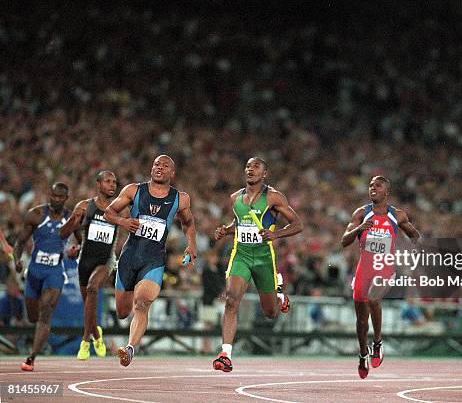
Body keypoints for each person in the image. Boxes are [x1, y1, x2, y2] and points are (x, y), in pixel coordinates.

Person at [104, 155, 196, 367]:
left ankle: (130, 347)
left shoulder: (180, 199)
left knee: (142, 303)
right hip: (129, 256)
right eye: (156, 164)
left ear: (172, 173)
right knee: (122, 311)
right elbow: (109, 212)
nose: (159, 168)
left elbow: (188, 224)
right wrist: (123, 221)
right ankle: (130, 338)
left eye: (165, 166)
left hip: (154, 259)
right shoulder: (133, 191)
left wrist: (191, 244)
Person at [212, 157, 303, 372]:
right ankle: (225, 354)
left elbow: (298, 224)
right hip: (241, 254)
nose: (250, 169)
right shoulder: (235, 198)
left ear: (265, 174)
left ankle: (279, 295)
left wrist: (276, 234)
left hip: (263, 257)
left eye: (256, 167)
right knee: (231, 300)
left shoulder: (273, 197)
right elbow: (241, 222)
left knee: (270, 312)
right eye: (248, 166)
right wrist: (226, 230)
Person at [341, 176, 420, 379]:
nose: (373, 188)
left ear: (387, 192)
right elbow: (344, 241)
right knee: (360, 320)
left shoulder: (397, 216)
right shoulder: (361, 213)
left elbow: (414, 235)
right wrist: (359, 229)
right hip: (364, 270)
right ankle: (362, 354)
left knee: (374, 298)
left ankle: (377, 343)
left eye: (378, 186)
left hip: (385, 269)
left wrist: (412, 250)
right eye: (370, 186)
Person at [13, 182, 77, 371]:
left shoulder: (71, 218)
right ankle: (34, 341)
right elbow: (19, 242)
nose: (56, 199)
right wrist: (17, 260)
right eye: (54, 196)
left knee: (47, 310)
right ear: (50, 195)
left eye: (60, 197)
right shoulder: (36, 214)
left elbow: (80, 243)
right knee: (33, 317)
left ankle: (31, 357)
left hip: (55, 271)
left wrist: (75, 251)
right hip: (34, 271)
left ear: (66, 198)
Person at [60, 171, 120, 360]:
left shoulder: (120, 207)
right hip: (85, 259)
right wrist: (75, 241)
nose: (112, 185)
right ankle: (96, 333)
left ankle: (85, 341)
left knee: (93, 288)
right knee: (89, 302)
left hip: (106, 259)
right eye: (108, 181)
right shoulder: (85, 206)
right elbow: (65, 232)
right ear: (98, 184)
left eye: (114, 182)